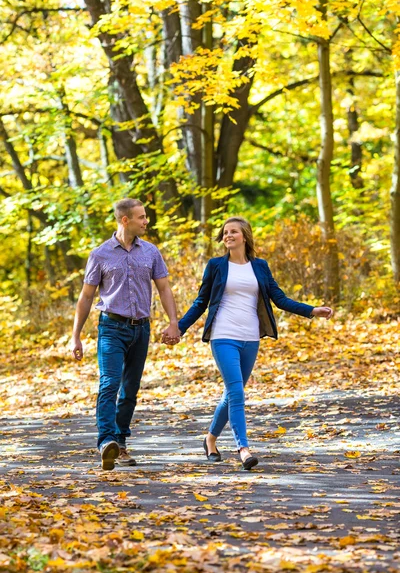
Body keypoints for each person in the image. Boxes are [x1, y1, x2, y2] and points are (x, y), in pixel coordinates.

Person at [173, 216, 333, 470]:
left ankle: (210, 439)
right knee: (237, 392)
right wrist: (178, 328)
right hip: (223, 336)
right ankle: (244, 449)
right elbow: (200, 303)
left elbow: (279, 298)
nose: (228, 236)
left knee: (231, 395)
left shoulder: (259, 266)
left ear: (245, 236)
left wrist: (311, 310)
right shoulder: (215, 266)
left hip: (250, 338)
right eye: (225, 232)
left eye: (233, 232)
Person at [71, 198, 180, 471]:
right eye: (142, 217)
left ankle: (119, 443)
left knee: (129, 389)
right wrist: (76, 336)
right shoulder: (100, 254)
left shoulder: (151, 252)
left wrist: (173, 322)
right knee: (109, 383)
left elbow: (164, 289)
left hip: (141, 329)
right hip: (111, 327)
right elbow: (86, 297)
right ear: (125, 220)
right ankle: (105, 441)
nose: (146, 221)